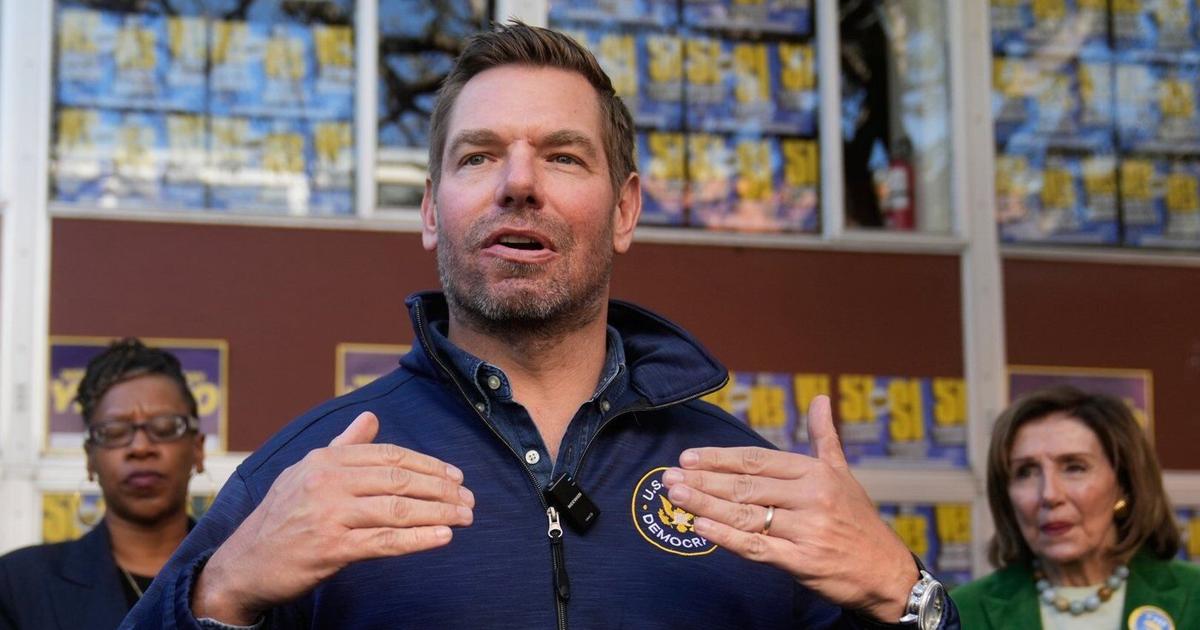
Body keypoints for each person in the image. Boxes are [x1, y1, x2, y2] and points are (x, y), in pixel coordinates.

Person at [124, 21, 957, 630]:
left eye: (562, 155)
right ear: (430, 211)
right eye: (478, 156)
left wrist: (905, 592)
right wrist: (220, 594)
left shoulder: (749, 489)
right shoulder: (304, 477)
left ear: (624, 209)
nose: (518, 184)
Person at [951, 386, 1199, 629]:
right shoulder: (961, 612)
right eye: (1025, 472)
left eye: (1074, 468)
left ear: (1124, 484)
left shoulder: (1193, 595)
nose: (1049, 495)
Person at [0, 338, 206, 629]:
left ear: (197, 449)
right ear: (90, 459)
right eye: (114, 431)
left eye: (164, 427)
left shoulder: (245, 577)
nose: (141, 447)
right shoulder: (18, 584)